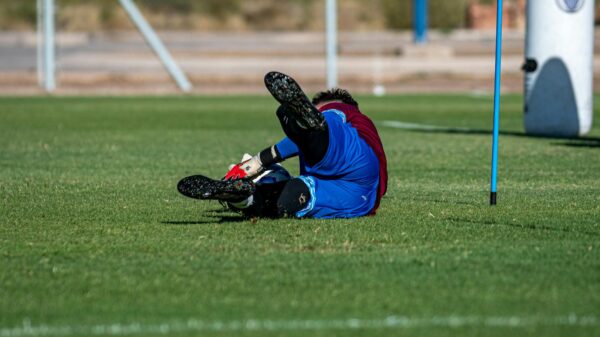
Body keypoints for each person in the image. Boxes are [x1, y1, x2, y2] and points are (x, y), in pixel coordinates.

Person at [178, 71, 387, 219]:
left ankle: (309, 126)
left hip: (358, 165)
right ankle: (244, 198)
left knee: (331, 122)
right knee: (296, 193)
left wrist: (259, 160)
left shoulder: (354, 117)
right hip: (355, 198)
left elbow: (298, 143)